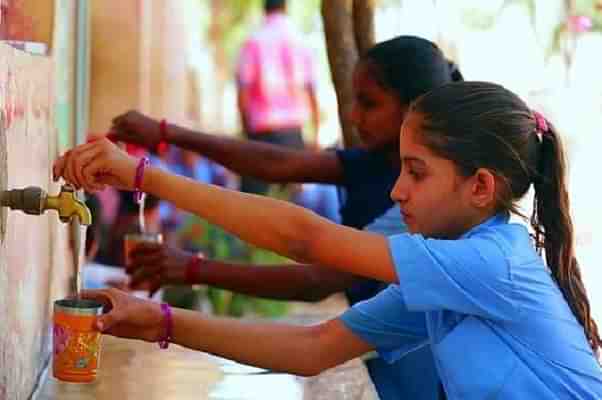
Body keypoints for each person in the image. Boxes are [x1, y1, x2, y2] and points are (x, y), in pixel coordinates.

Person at [55, 81, 602, 398]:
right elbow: (314, 348)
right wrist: (161, 323)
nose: (398, 190)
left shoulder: (490, 260)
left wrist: (145, 176)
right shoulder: (445, 275)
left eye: (417, 172)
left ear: (480, 186)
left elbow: (305, 240)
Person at [108, 36, 463, 399]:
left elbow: (312, 266)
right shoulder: (379, 167)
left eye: (368, 103)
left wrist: (190, 273)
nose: (353, 116)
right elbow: (277, 166)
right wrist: (169, 135)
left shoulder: (423, 211)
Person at [236, 0, 320, 195]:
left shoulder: (253, 41)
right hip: (293, 135)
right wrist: (314, 136)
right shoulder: (300, 40)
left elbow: (243, 92)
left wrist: (246, 132)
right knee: (295, 203)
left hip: (260, 134)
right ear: (285, 7)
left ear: (264, 8)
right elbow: (311, 90)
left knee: (253, 203)